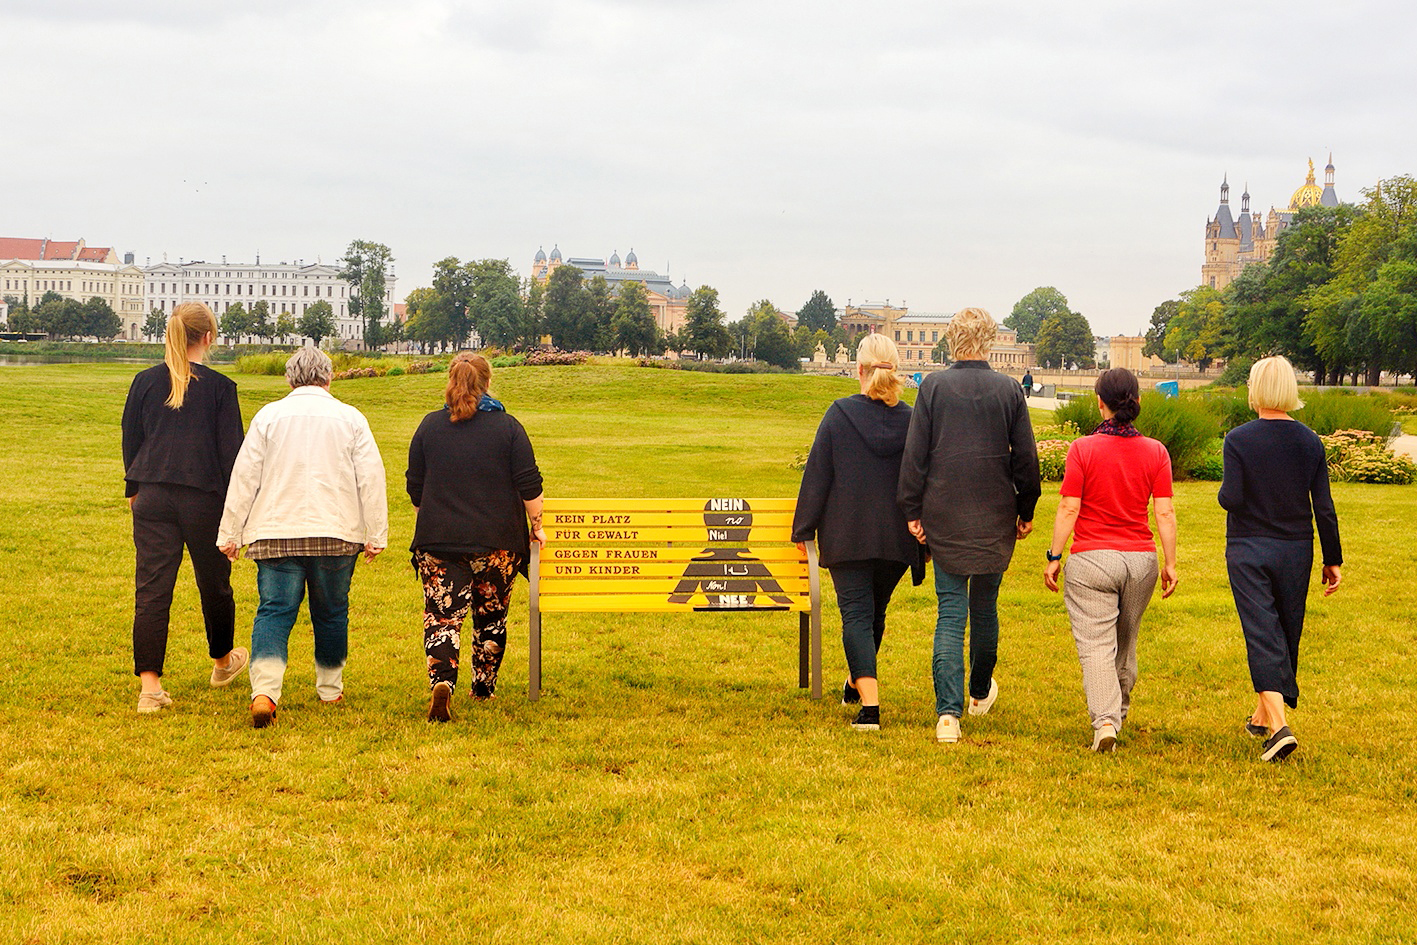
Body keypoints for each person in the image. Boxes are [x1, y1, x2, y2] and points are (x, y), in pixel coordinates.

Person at [217, 347, 388, 728]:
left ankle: (265, 692)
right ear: (329, 378)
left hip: (275, 532)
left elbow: (244, 477)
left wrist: (230, 533)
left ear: (290, 379)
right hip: (336, 533)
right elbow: (371, 478)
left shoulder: (268, 416)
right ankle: (330, 688)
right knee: (331, 612)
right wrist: (375, 533)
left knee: (274, 612)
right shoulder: (351, 418)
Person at [898, 307, 1041, 744]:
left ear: (952, 340)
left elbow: (915, 456)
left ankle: (947, 714)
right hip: (995, 512)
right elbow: (1026, 459)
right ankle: (979, 691)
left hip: (945, 511)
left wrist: (912, 509)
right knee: (985, 606)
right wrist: (1026, 509)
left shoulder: (934, 387)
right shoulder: (1009, 390)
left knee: (950, 610)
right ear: (990, 340)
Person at [792, 333, 925, 731]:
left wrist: (803, 529)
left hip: (847, 532)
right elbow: (924, 478)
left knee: (857, 615)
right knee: (874, 612)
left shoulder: (839, 414)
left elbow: (817, 475)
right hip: (896, 537)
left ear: (860, 370)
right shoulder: (914, 420)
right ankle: (856, 682)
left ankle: (870, 708)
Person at [121, 302, 248, 713]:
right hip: (204, 498)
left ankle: (150, 687)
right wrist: (239, 513)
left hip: (153, 494)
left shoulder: (144, 382)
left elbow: (131, 439)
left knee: (152, 589)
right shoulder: (220, 388)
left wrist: (134, 489)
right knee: (214, 583)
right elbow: (233, 457)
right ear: (208, 337)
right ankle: (223, 661)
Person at [1043, 369, 1178, 752]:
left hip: (1092, 559)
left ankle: (1105, 722)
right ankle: (1117, 711)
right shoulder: (1156, 451)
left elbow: (1070, 507)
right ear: (1136, 400)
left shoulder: (1083, 449)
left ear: (1099, 402)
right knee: (1125, 641)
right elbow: (1164, 513)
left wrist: (1054, 556)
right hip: (1140, 561)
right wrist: (1170, 563)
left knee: (1096, 646)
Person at [406, 352, 545, 722]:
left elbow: (414, 486)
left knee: (442, 617)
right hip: (497, 543)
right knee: (491, 618)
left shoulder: (429, 426)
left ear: (450, 381)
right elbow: (529, 484)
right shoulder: (508, 427)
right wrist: (538, 525)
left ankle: (443, 682)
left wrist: (430, 514)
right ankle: (483, 688)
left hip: (439, 541)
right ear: (487, 382)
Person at [1218, 356, 1341, 762]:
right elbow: (1323, 506)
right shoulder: (1310, 441)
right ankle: (1261, 717)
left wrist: (1225, 494)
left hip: (1248, 547)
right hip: (1296, 548)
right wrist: (1333, 557)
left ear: (1255, 390)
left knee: (1261, 631)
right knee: (1286, 629)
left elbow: (1231, 498)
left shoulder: (1238, 439)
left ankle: (1279, 728)